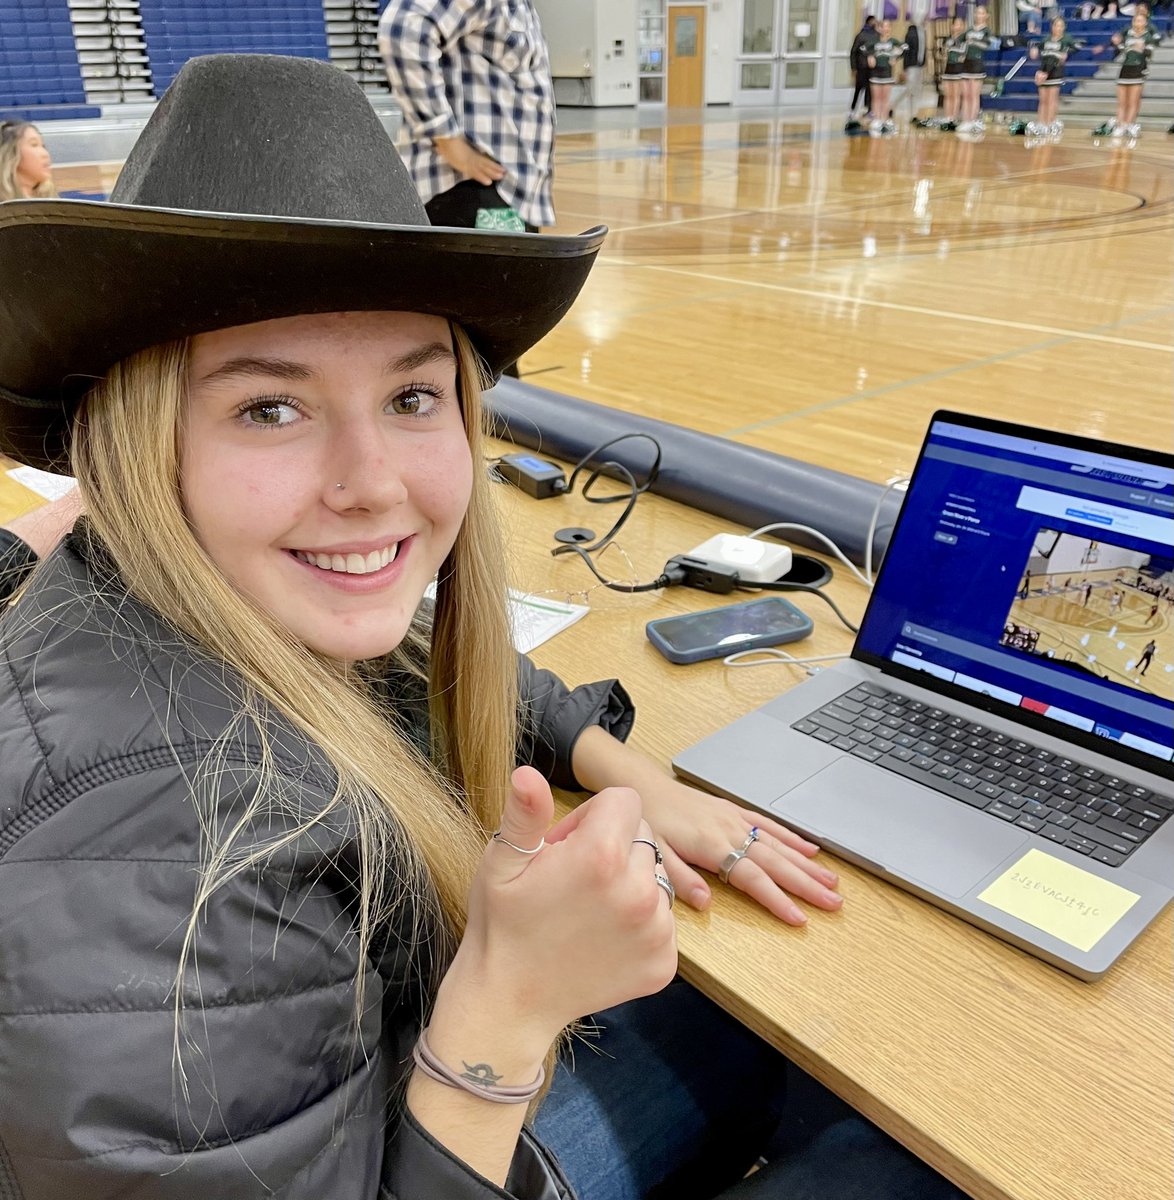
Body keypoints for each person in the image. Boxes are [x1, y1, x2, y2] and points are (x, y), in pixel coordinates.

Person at [0, 53, 970, 1200]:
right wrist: (507, 1007)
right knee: (901, 1151)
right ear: (136, 438)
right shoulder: (164, 849)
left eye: (412, 397)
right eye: (270, 407)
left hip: (390, 1081)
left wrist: (631, 775)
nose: (374, 485)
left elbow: (416, 660)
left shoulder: (205, 598)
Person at [1091, 10, 1162, 138]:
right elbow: (1121, 50)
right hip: (1125, 69)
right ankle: (1120, 125)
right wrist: (1117, 44)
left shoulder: (1148, 36)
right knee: (1122, 102)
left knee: (1133, 102)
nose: (1137, 23)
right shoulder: (1128, 34)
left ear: (1145, 23)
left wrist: (1143, 48)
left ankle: (1129, 125)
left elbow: (1149, 54)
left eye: (1140, 20)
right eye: (1135, 20)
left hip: (1138, 69)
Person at [1026, 17, 1079, 138]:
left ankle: (1050, 123)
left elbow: (1077, 47)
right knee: (1043, 100)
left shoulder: (1066, 39)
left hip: (1056, 71)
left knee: (1051, 100)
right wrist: (1034, 51)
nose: (1058, 28)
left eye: (1061, 26)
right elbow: (1038, 51)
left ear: (1064, 27)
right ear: (1052, 27)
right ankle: (1041, 123)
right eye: (1056, 25)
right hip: (1044, 70)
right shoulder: (1046, 39)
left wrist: (1066, 53)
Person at [956, 6, 999, 134]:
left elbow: (989, 44)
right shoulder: (968, 30)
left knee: (974, 94)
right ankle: (965, 120)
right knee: (966, 94)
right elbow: (959, 42)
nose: (979, 15)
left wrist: (974, 41)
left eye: (982, 13)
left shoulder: (987, 31)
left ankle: (972, 120)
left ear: (986, 16)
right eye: (977, 13)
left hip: (977, 64)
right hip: (966, 64)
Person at [866, 20, 907, 135]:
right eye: (883, 27)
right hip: (875, 73)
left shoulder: (893, 42)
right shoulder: (874, 41)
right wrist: (870, 57)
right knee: (876, 97)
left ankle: (884, 119)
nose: (886, 29)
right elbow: (863, 49)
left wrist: (895, 57)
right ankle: (876, 119)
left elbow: (905, 48)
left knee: (885, 98)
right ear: (879, 28)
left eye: (888, 26)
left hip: (887, 73)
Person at [0, 119, 55, 201]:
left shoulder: (52, 203)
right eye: (34, 145)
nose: (45, 154)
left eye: (43, 146)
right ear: (10, 155)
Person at [932, 16, 969, 130]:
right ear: (952, 26)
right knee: (948, 95)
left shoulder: (964, 40)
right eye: (956, 24)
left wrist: (952, 50)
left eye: (960, 24)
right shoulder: (947, 40)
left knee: (956, 95)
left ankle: (954, 117)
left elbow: (963, 53)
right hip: (948, 69)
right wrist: (943, 54)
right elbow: (942, 53)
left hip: (959, 69)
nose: (958, 26)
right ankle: (947, 117)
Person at [847, 16, 880, 130]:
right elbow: (854, 52)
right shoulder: (861, 35)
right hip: (861, 68)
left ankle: (867, 110)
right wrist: (854, 68)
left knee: (869, 90)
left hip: (872, 69)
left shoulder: (876, 36)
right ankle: (853, 110)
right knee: (859, 89)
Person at [898, 15, 927, 125]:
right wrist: (905, 68)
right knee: (910, 89)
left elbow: (923, 48)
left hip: (919, 65)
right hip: (911, 65)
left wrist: (924, 61)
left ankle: (914, 113)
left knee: (917, 90)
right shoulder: (910, 32)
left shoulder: (923, 32)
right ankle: (904, 109)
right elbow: (906, 51)